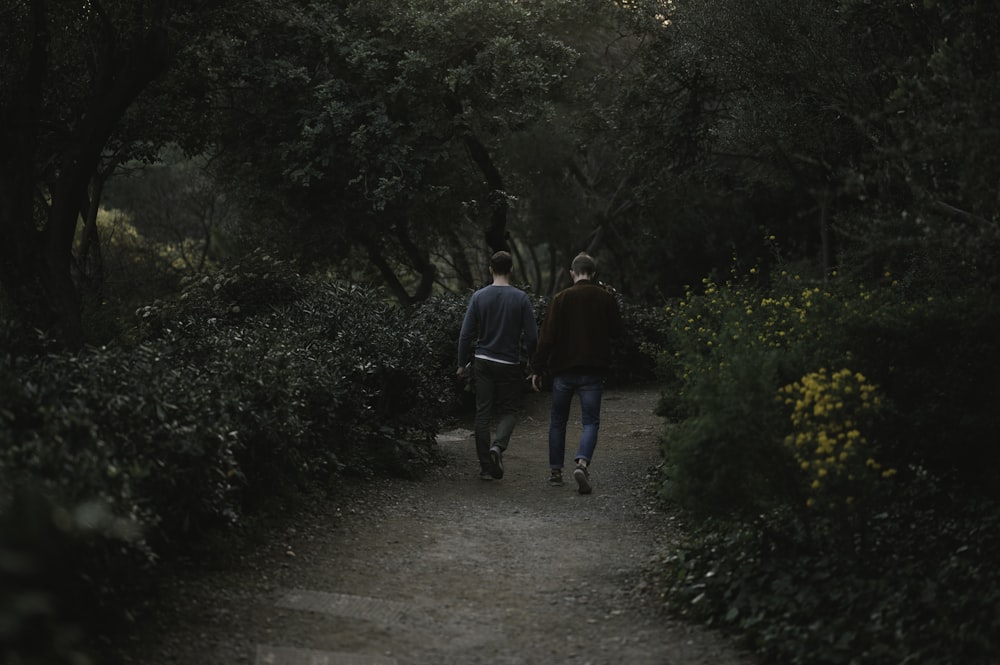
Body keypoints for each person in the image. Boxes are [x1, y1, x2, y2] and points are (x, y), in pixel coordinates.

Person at [528, 252, 624, 494]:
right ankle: (582, 463)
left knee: (558, 421)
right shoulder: (605, 298)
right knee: (590, 421)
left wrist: (537, 369)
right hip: (593, 370)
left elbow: (546, 338)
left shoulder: (561, 298)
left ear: (572, 273)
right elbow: (618, 332)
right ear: (593, 274)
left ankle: (555, 472)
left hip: (563, 371)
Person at [457, 251, 538, 481]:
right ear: (511, 269)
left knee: (482, 411)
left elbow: (465, 334)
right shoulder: (521, 298)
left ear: (490, 269)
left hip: (483, 361)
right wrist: (533, 362)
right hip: (509, 363)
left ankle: (485, 467)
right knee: (509, 410)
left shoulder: (479, 297)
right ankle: (498, 447)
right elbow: (532, 337)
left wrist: (461, 364)